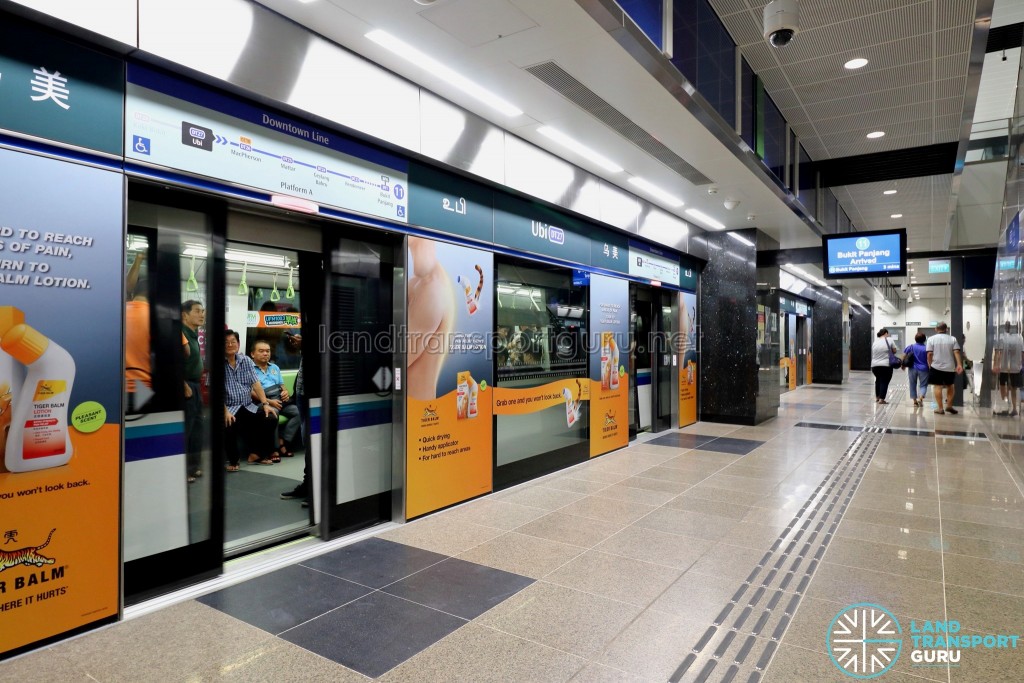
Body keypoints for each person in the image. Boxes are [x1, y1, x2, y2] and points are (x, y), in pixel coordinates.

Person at [223, 330, 278, 471]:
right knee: (227, 423)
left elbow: (256, 384)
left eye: (233, 342)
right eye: (226, 342)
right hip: (229, 408)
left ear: (238, 344)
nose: (230, 345)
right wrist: (225, 412)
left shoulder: (245, 360)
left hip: (248, 406)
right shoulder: (217, 363)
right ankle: (234, 461)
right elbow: (215, 392)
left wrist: (265, 404)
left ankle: (256, 454)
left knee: (270, 417)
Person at [250, 339, 301, 459]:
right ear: (252, 354)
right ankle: (275, 448)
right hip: (261, 401)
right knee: (274, 413)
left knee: (298, 412)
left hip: (279, 399)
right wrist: (268, 401)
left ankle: (284, 440)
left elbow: (282, 387)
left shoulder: (275, 368)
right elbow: (250, 392)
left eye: (267, 351)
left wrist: (285, 393)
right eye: (261, 351)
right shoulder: (249, 369)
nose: (265, 354)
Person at [181, 300, 206, 482]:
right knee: (187, 429)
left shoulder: (193, 334)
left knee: (197, 428)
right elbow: (172, 362)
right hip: (186, 386)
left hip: (197, 385)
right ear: (184, 314)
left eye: (203, 311)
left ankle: (193, 466)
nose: (202, 314)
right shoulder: (180, 334)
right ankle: (183, 470)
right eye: (197, 311)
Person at [927, 322, 964, 415]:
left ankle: (940, 408)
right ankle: (949, 406)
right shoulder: (952, 339)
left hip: (936, 366)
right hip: (949, 367)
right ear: (946, 329)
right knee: (950, 386)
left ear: (936, 329)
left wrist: (930, 364)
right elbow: (957, 352)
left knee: (937, 386)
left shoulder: (931, 339)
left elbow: (929, 354)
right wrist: (959, 364)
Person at [992, 322, 1023, 416]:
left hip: (1004, 367)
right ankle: (1013, 408)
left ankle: (1006, 403)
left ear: (1005, 328)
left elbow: (997, 353)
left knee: (1002, 386)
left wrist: (995, 365)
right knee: (1013, 388)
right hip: (1016, 368)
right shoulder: (1020, 338)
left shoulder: (1001, 337)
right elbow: (1023, 353)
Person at [870, 328, 899, 404]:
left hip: (874, 366)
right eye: (888, 333)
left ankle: (877, 397)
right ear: (885, 333)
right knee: (884, 381)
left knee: (878, 380)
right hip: (885, 365)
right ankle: (881, 399)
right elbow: (894, 350)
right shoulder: (889, 339)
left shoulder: (875, 341)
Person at [903, 333, 929, 408]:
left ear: (915, 339)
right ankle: (921, 397)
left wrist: (903, 365)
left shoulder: (911, 347)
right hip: (924, 368)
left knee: (912, 384)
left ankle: (914, 401)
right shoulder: (926, 348)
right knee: (923, 385)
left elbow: (904, 356)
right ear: (924, 339)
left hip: (912, 368)